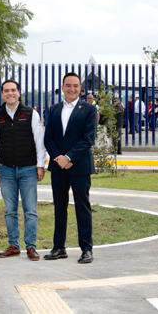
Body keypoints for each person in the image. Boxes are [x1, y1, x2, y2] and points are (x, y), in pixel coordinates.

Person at [44, 72, 97, 264]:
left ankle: (86, 249)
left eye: (75, 85)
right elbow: (48, 137)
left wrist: (69, 157)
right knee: (60, 207)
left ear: (80, 89)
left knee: (83, 208)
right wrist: (59, 158)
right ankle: (59, 247)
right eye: (68, 85)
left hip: (79, 166)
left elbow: (88, 138)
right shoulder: (54, 109)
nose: (72, 89)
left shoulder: (89, 109)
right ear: (63, 87)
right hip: (58, 167)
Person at [0, 81, 46, 262]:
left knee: (30, 210)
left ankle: (31, 247)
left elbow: (39, 141)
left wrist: (40, 165)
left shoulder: (31, 113)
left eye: (13, 90)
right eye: (6, 91)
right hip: (6, 169)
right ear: (2, 94)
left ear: (19, 93)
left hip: (28, 169)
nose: (10, 93)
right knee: (10, 211)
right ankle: (14, 245)